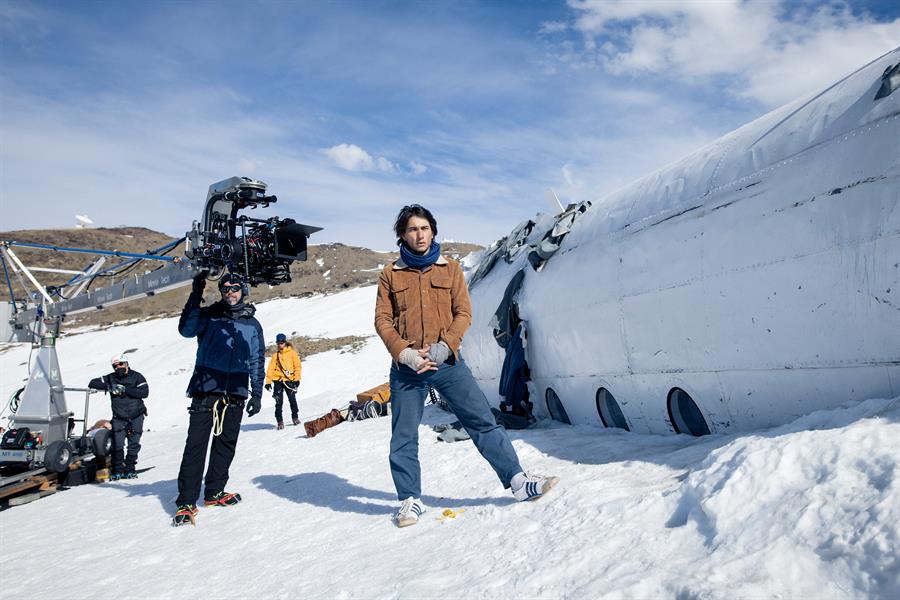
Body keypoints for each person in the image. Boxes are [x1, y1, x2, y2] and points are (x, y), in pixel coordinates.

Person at [374, 204, 558, 527]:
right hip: (407, 368)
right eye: (413, 229)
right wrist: (404, 353)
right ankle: (409, 500)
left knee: (482, 422)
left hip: (447, 363)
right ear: (402, 234)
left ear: (433, 231)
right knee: (403, 436)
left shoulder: (451, 269)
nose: (419, 234)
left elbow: (464, 313)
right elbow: (383, 321)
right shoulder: (391, 274)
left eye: (425, 228)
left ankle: (517, 480)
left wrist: (446, 347)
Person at [172, 272, 265, 527]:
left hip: (235, 391)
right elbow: (186, 330)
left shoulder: (252, 324)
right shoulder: (209, 316)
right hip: (207, 388)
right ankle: (186, 501)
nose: (229, 292)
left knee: (226, 444)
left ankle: (213, 492)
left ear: (242, 290)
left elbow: (257, 359)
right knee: (196, 445)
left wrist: (256, 393)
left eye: (234, 288)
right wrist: (195, 295)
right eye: (225, 288)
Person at [88, 355, 149, 480]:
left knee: (134, 443)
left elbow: (144, 393)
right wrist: (109, 387)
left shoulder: (137, 376)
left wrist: (126, 389)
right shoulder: (111, 378)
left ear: (126, 363)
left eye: (120, 364)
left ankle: (130, 468)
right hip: (119, 417)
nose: (118, 367)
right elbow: (92, 383)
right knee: (117, 444)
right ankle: (117, 470)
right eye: (115, 366)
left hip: (136, 415)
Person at [264, 333, 302, 429]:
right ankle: (280, 422)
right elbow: (270, 369)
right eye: (278, 343)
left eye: (282, 342)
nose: (280, 344)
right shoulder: (275, 356)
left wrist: (297, 379)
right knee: (278, 402)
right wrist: (268, 382)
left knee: (292, 400)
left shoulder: (292, 353)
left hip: (290, 381)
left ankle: (295, 417)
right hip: (278, 381)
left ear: (285, 342)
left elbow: (297, 366)